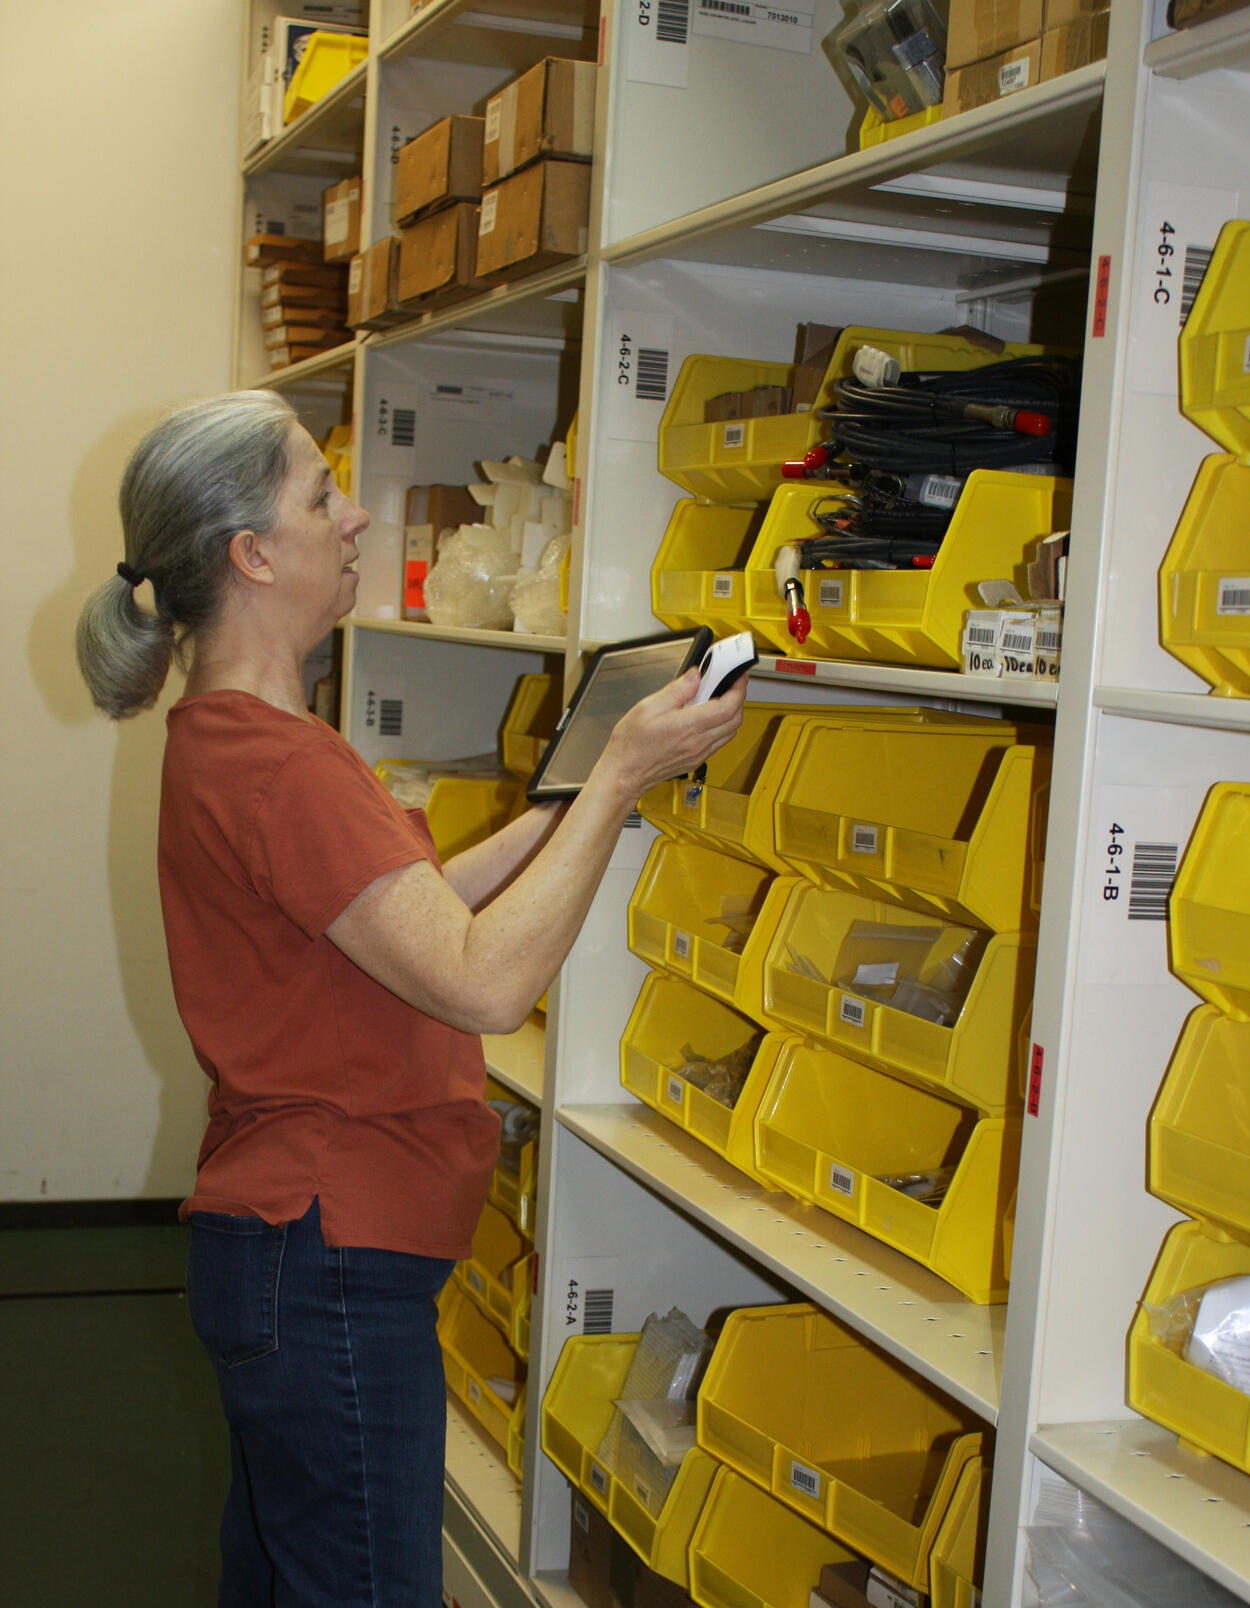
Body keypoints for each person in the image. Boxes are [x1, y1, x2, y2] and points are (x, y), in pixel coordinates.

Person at [74, 389, 746, 1608]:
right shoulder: (288, 764)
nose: (355, 517)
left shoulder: (230, 738)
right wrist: (623, 780)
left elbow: (401, 915)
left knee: (288, 1580)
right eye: (319, 494)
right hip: (328, 1253)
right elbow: (486, 983)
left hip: (284, 1247)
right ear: (253, 554)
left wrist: (564, 805)